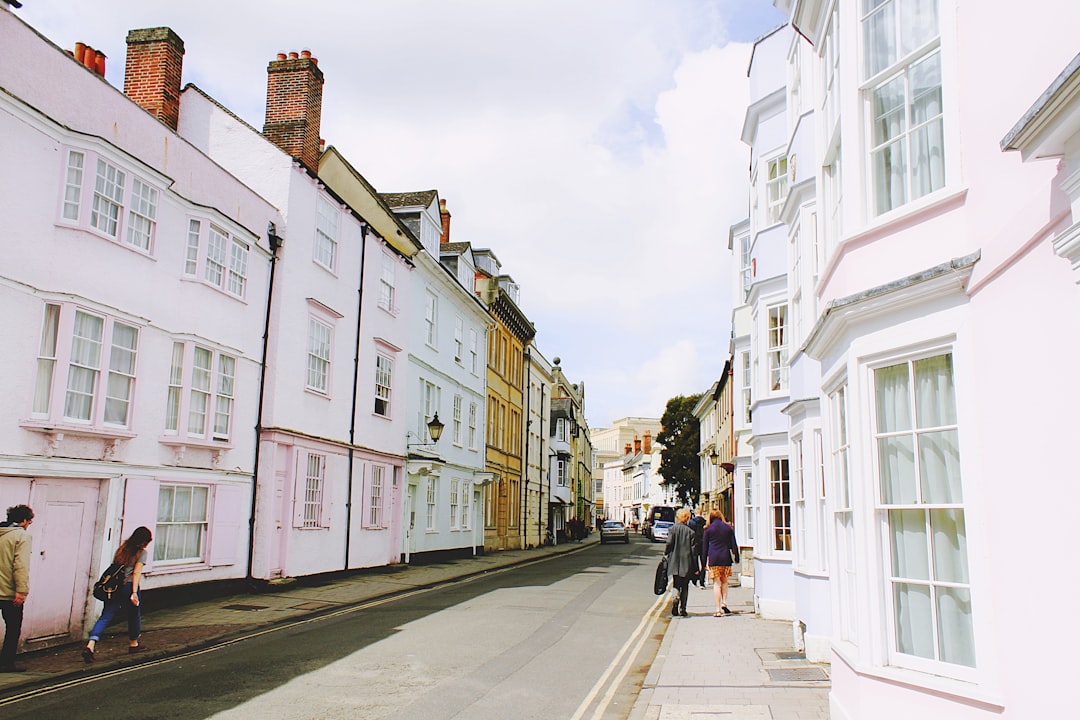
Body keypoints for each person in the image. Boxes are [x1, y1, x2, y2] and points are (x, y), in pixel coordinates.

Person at [83, 526, 153, 662]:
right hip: (128, 587)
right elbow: (136, 573)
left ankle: (90, 645)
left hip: (114, 588)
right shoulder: (141, 553)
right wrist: (134, 592)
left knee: (106, 616)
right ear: (143, 541)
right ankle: (134, 644)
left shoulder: (122, 549)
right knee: (134, 614)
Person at [0, 505, 33, 673]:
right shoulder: (21, 536)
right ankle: (6, 663)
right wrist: (21, 591)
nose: (29, 525)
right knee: (13, 627)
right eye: (30, 522)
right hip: (9, 593)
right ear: (24, 521)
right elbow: (20, 565)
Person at [701, 509, 740, 616]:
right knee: (725, 581)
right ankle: (724, 602)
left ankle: (718, 610)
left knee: (716, 583)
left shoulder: (708, 529)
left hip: (714, 558)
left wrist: (703, 563)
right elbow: (734, 544)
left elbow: (704, 548)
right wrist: (737, 557)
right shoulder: (728, 528)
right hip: (725, 557)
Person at [664, 507, 700, 617]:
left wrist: (666, 553)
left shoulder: (672, 529)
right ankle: (683, 609)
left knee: (676, 584)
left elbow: (669, 544)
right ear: (687, 518)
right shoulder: (691, 532)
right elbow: (694, 552)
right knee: (685, 586)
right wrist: (696, 568)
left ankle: (675, 600)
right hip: (687, 563)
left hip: (674, 562)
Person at [689, 512, 707, 587]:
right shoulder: (705, 522)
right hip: (703, 544)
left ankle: (694, 580)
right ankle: (702, 581)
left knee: (694, 562)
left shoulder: (691, 522)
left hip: (695, 544)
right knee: (703, 564)